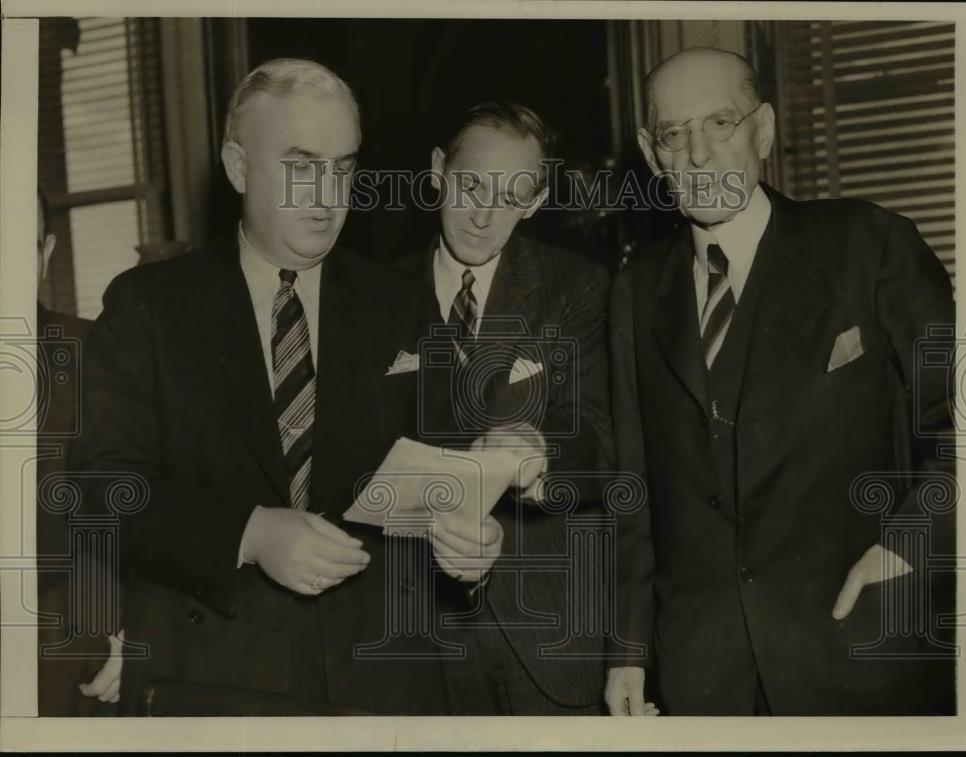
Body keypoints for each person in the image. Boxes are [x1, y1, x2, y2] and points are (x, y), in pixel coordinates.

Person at [72, 58, 450, 715]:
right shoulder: (149, 306)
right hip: (214, 673)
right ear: (239, 166)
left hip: (380, 678)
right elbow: (102, 488)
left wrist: (470, 526)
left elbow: (446, 466)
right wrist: (245, 533)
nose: (328, 196)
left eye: (343, 167)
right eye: (302, 166)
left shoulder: (402, 305)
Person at [605, 47, 955, 716]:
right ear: (653, 154)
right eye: (675, 134)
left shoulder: (869, 244)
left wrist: (910, 544)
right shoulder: (633, 291)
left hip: (862, 653)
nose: (699, 154)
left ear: (763, 129)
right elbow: (632, 486)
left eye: (721, 122)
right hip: (704, 678)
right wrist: (627, 652)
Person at [397, 102, 616, 715]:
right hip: (423, 640)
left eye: (511, 192)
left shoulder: (579, 287)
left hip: (551, 637)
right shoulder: (375, 295)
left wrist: (541, 452)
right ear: (439, 170)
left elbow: (603, 440)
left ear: (537, 199)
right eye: (470, 184)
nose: (483, 213)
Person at [35, 189, 124, 715]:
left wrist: (128, 633)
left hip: (73, 656)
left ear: (45, 255)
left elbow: (145, 508)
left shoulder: (103, 356)